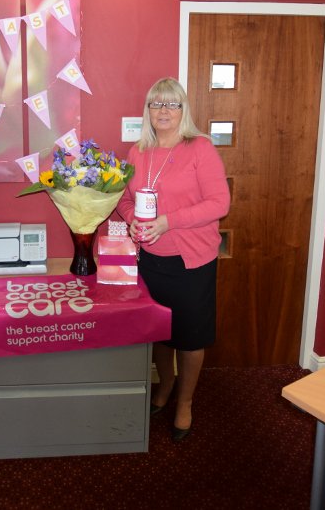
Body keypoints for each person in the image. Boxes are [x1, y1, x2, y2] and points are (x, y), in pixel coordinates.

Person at [116, 77, 230, 442]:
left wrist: (168, 221)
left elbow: (220, 204)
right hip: (150, 259)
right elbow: (124, 199)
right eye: (156, 103)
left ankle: (185, 401)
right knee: (161, 334)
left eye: (172, 104)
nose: (163, 111)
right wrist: (132, 220)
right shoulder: (137, 152)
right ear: (147, 110)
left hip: (191, 261)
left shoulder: (200, 148)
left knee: (190, 337)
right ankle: (165, 386)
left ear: (183, 110)